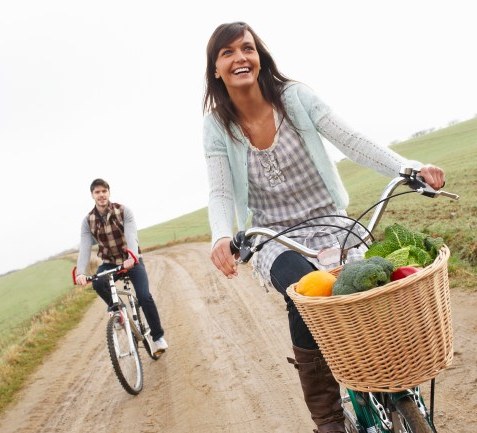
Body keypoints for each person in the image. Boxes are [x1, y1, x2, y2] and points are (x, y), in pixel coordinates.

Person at [202, 22, 444, 433]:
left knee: (371, 288)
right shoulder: (216, 125)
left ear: (260, 57)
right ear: (216, 70)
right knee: (306, 295)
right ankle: (329, 420)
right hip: (275, 238)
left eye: (247, 48)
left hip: (333, 221)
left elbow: (351, 140)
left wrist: (409, 169)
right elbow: (220, 191)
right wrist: (222, 235)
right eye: (227, 53)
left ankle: (393, 378)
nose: (240, 57)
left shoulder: (294, 98)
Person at [75, 178, 168, 353]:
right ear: (92, 195)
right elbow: (85, 248)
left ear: (109, 192)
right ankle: (118, 311)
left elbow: (132, 236)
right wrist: (80, 273)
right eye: (97, 192)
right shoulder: (88, 221)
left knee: (144, 296)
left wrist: (132, 256)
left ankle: (158, 337)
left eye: (104, 191)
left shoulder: (123, 211)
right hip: (110, 262)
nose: (101, 195)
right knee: (98, 283)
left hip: (131, 260)